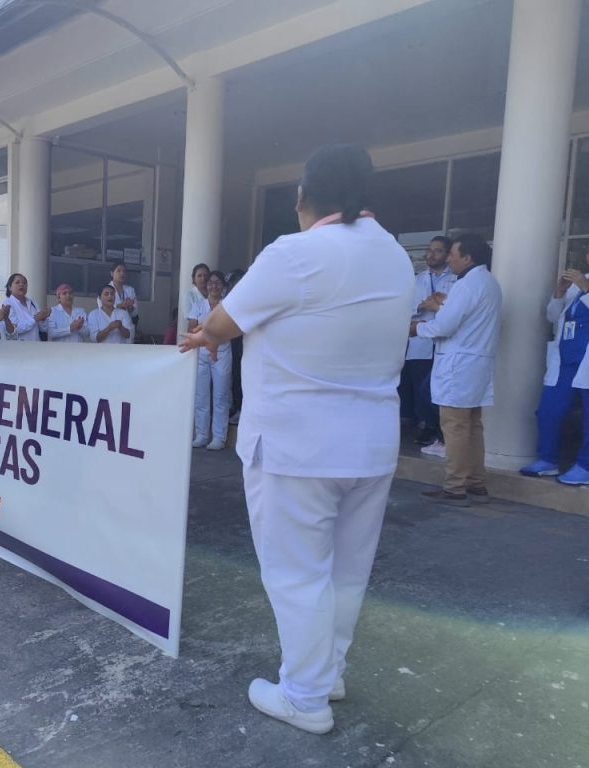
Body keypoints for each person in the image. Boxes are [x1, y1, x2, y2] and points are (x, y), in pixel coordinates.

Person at [181, 144, 414, 735]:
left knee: (296, 573)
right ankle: (327, 671)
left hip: (297, 446)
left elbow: (220, 324)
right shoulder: (395, 256)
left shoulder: (297, 252)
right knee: (346, 570)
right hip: (371, 445)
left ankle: (304, 696)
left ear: (303, 197)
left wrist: (201, 334)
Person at [519, 231, 589, 485]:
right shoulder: (580, 281)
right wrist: (559, 292)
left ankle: (587, 468)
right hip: (566, 359)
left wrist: (587, 289)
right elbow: (554, 317)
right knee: (548, 411)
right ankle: (548, 460)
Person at [411, 233, 502, 506]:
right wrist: (441, 305)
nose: (449, 259)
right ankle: (476, 484)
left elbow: (444, 326)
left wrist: (416, 328)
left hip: (460, 364)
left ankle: (454, 487)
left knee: (455, 427)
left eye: (452, 254)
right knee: (472, 426)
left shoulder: (467, 285)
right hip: (476, 363)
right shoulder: (488, 282)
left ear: (467, 258)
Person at [405, 237, 457, 450]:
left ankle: (442, 432)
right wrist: (422, 305)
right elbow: (405, 308)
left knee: (439, 388)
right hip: (421, 342)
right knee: (421, 390)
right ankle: (428, 426)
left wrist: (438, 304)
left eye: (437, 251)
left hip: (445, 341)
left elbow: (457, 309)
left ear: (447, 255)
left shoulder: (456, 280)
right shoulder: (417, 280)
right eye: (429, 250)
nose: (431, 255)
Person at [188, 270, 232, 450]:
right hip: (201, 354)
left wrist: (207, 330)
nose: (214, 286)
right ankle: (202, 434)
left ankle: (219, 437)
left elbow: (230, 329)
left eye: (217, 283)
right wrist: (206, 331)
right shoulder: (198, 305)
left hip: (221, 352)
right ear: (206, 286)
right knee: (201, 395)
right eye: (210, 283)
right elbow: (192, 329)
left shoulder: (228, 305)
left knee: (220, 395)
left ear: (223, 286)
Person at [1, 273, 50, 341]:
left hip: (36, 346)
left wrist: (43, 319)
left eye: (24, 283)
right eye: (17, 282)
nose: (21, 285)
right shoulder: (7, 304)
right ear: (10, 287)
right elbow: (14, 329)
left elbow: (43, 329)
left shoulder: (33, 303)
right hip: (19, 348)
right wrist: (35, 319)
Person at [225, 268, 246, 425]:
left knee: (240, 376)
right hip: (231, 343)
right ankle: (234, 405)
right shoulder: (228, 299)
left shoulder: (248, 299)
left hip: (244, 344)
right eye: (231, 283)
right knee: (232, 376)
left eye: (236, 282)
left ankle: (241, 408)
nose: (233, 285)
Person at [110, 262, 139, 342]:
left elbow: (135, 313)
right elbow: (103, 309)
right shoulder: (105, 290)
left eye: (124, 271)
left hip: (127, 327)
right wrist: (121, 305)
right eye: (118, 271)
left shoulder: (130, 290)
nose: (122, 273)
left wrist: (130, 308)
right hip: (112, 328)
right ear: (112, 273)